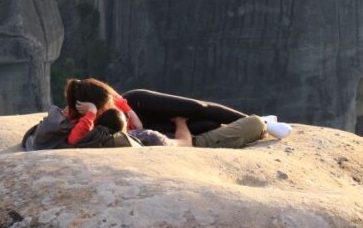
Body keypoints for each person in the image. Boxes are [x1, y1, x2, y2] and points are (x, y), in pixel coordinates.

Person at [66, 78, 292, 140]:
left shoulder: (108, 98)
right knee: (208, 126)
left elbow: (118, 98)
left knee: (197, 108)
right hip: (146, 130)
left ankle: (262, 122)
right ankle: (254, 124)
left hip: (139, 105)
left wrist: (131, 113)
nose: (110, 104)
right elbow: (75, 139)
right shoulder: (81, 119)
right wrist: (92, 113)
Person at [86, 108, 274, 149]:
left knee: (210, 124)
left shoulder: (94, 140)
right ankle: (267, 123)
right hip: (199, 145)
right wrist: (180, 122)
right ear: (125, 125)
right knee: (255, 123)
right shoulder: (146, 136)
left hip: (178, 136)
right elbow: (185, 144)